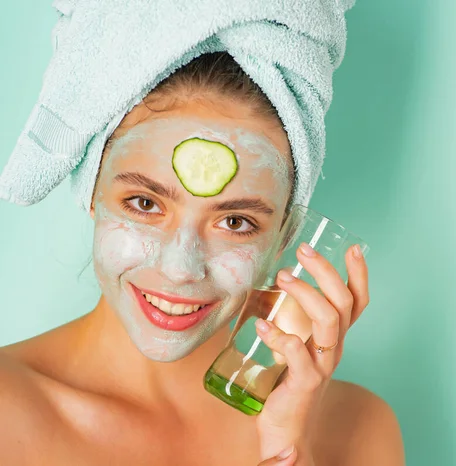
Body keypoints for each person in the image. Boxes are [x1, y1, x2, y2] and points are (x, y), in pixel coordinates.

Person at [0, 44, 403, 466]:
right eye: (144, 204)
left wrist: (288, 445)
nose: (179, 269)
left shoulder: (357, 429)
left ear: (284, 237)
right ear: (92, 194)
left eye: (235, 222)